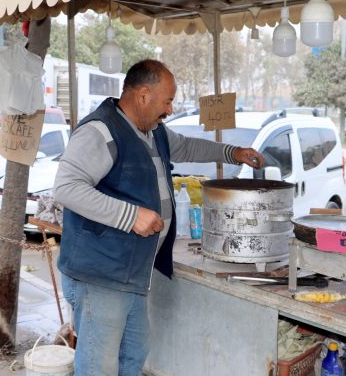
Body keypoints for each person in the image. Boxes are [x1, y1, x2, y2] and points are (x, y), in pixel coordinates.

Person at [53, 59, 264, 375]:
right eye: (166, 101)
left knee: (134, 353)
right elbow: (66, 189)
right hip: (101, 274)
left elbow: (189, 148)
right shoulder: (101, 131)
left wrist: (232, 153)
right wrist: (130, 216)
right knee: (100, 364)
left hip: (131, 273)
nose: (169, 109)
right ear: (142, 96)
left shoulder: (154, 132)